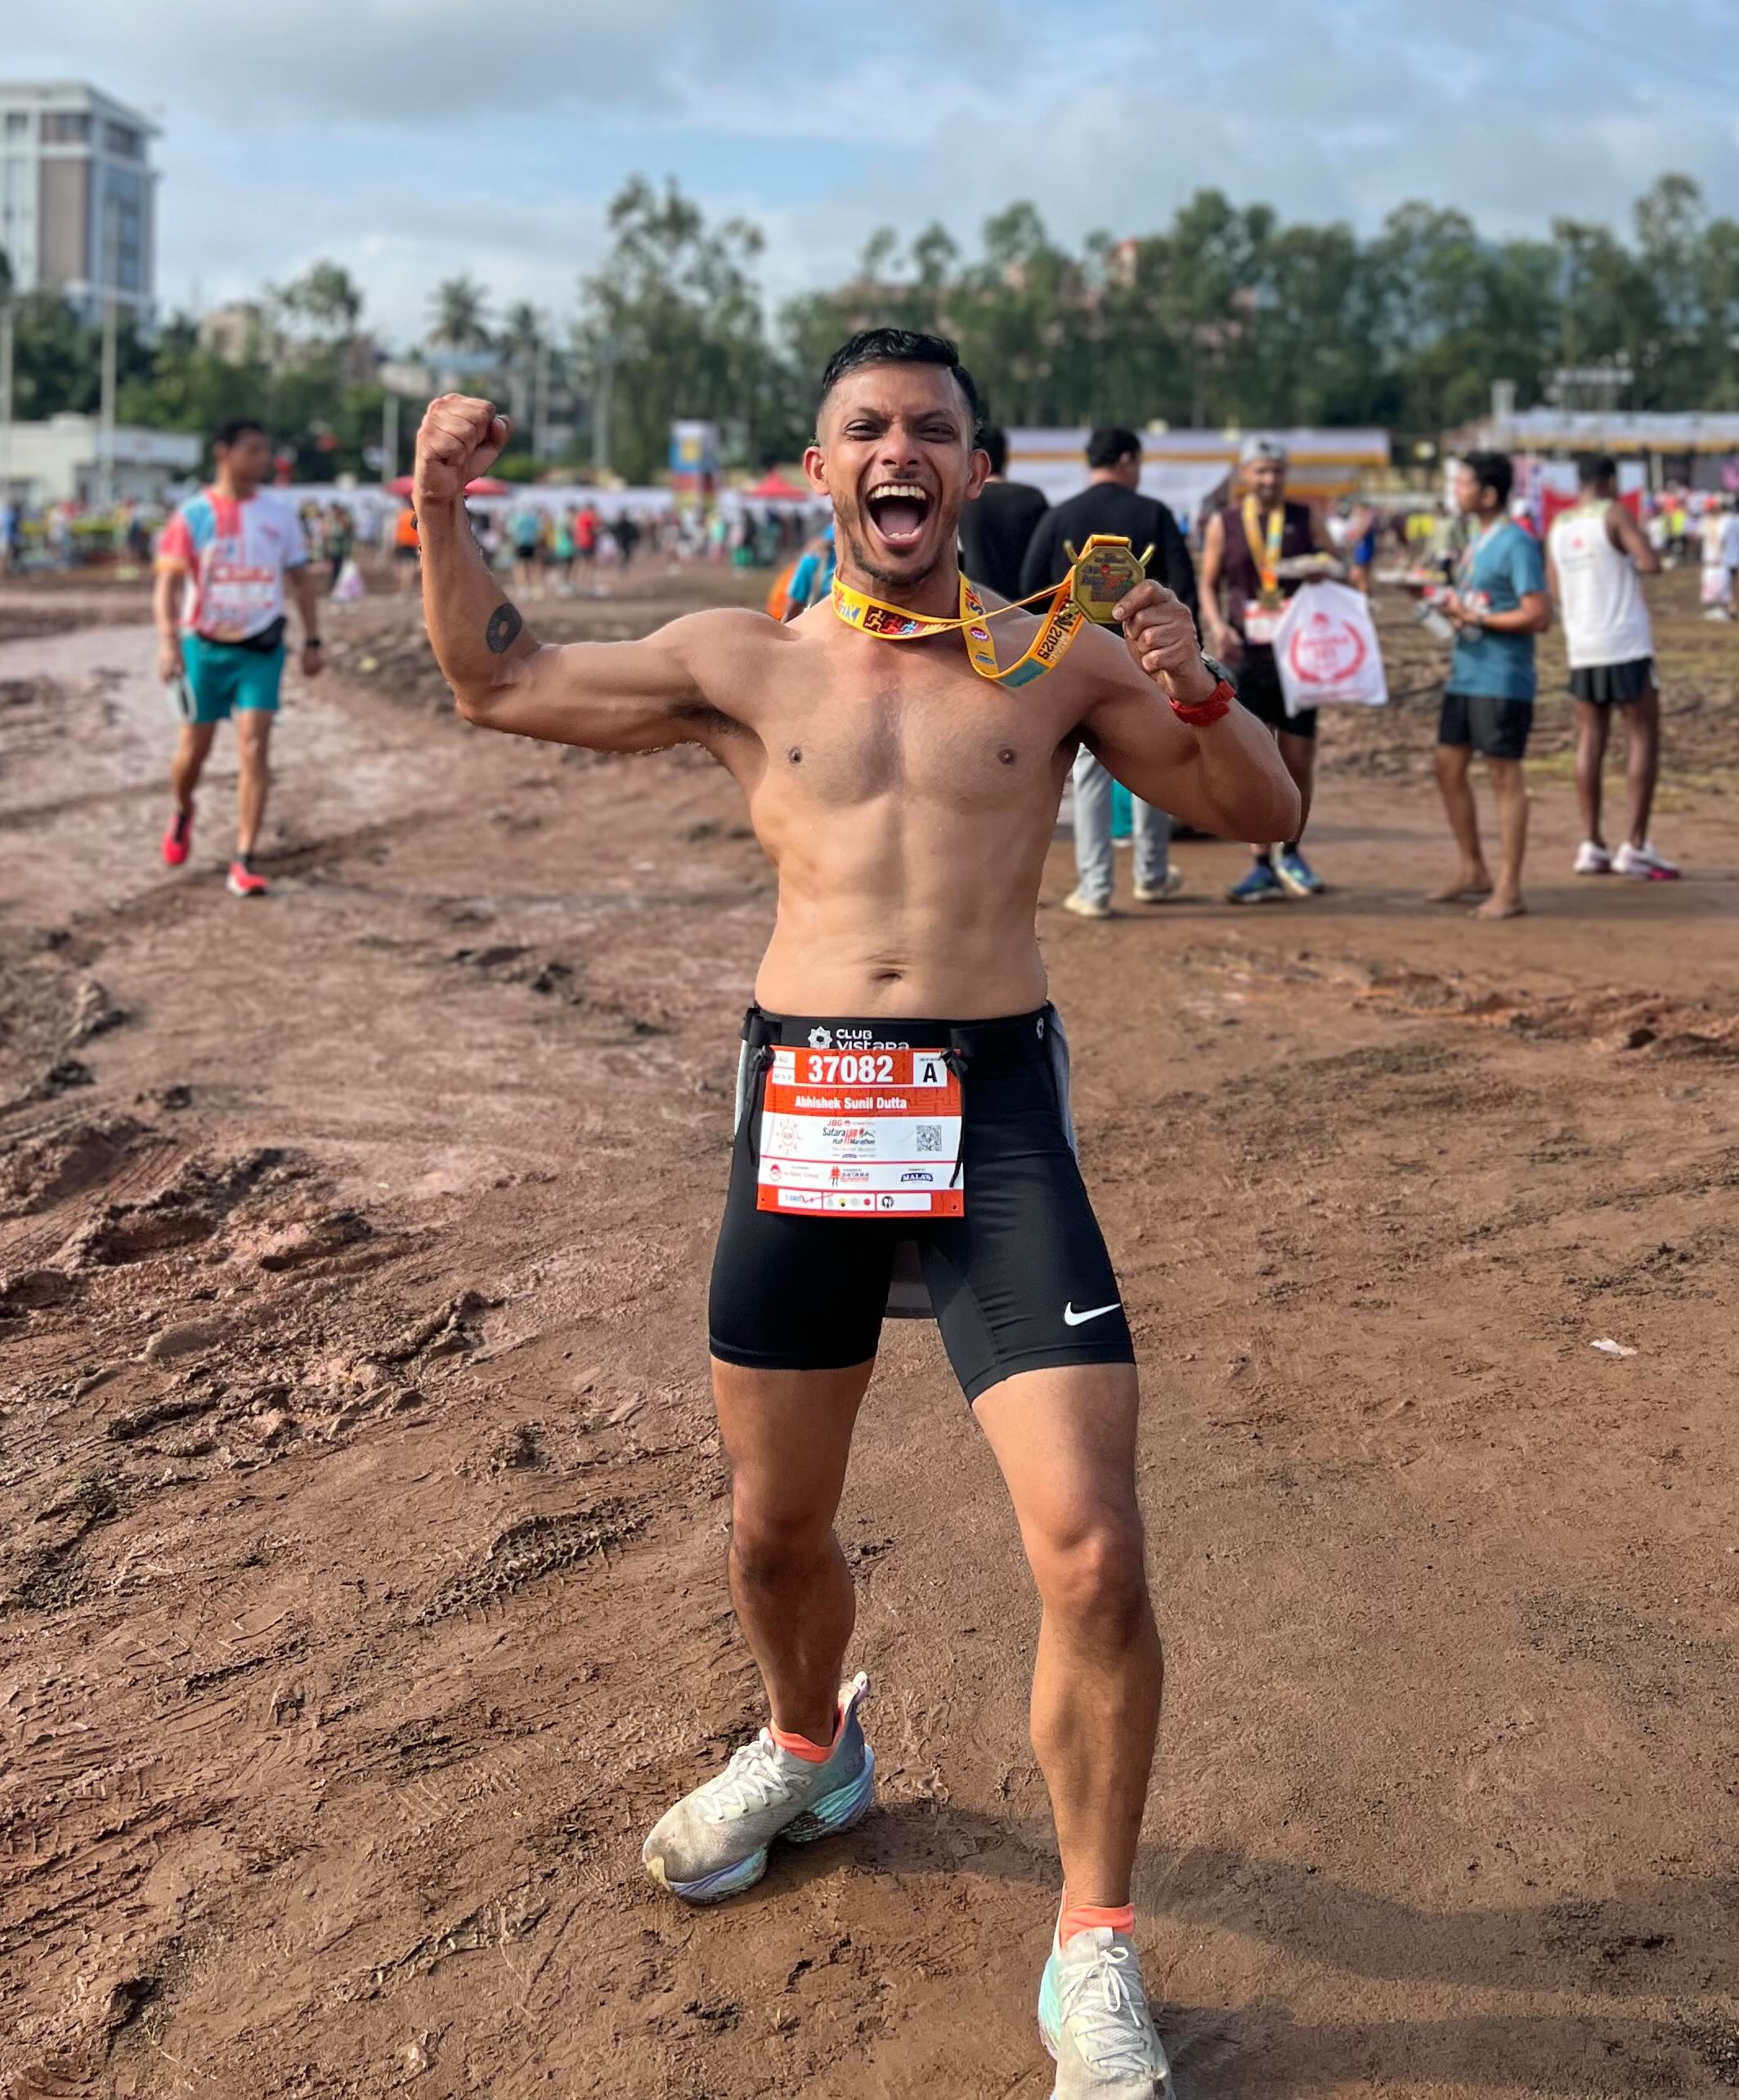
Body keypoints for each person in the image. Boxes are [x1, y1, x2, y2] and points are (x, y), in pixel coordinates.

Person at [415, 328, 1296, 2095]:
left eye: (936, 432)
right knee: (772, 1533)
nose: (903, 453)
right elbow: (498, 680)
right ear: (821, 470)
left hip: (996, 1126)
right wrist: (437, 505)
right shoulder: (740, 660)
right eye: (868, 430)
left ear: (974, 471)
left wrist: (1191, 680)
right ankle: (813, 1747)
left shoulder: (1052, 663)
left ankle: (1094, 1950)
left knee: (1097, 1553)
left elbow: (1253, 808)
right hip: (809, 1110)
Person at [1021, 426, 1202, 918]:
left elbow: (1029, 588)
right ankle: (1152, 874)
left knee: (1090, 773)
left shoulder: (1062, 516)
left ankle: (1096, 888)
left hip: (1077, 659)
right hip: (1148, 657)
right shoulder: (1154, 515)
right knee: (1156, 762)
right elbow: (1184, 589)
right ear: (1127, 460)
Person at [153, 419, 323, 898]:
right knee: (193, 753)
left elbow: (300, 578)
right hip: (203, 650)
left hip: (261, 650)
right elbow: (166, 586)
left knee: (254, 748)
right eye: (252, 450)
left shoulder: (279, 514)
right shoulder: (191, 515)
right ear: (223, 454)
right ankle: (183, 809)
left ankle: (244, 857)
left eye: (265, 450)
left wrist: (314, 639)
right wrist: (168, 644)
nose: (262, 460)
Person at [1199, 437, 1333, 903]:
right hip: (1246, 656)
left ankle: (1293, 850)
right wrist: (1217, 625)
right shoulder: (1226, 523)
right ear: (1246, 476)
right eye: (1260, 471)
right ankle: (1260, 862)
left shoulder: (1304, 518)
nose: (1269, 479)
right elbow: (1208, 580)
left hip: (1300, 654)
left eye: (1276, 471)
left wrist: (1325, 569)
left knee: (1298, 757)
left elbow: (1337, 564)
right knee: (1257, 759)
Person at [1430, 450, 1551, 920]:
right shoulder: (1476, 539)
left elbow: (1539, 615)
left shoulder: (1516, 543)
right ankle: (1472, 868)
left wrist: (1476, 616)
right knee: (1447, 767)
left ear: (1488, 494)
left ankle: (1509, 887)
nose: (1456, 491)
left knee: (1505, 777)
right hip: (1467, 672)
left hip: (1502, 677)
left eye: (1463, 484)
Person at [1547, 454, 1675, 880]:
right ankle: (1636, 843)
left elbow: (1556, 591)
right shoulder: (1615, 514)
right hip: (1624, 639)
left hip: (1583, 642)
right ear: (1609, 481)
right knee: (1642, 737)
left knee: (1590, 738)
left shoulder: (1559, 525)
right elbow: (1650, 563)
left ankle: (1591, 842)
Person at [959, 420, 1048, 599]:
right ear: (1005, 456)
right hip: (1027, 610)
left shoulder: (962, 502)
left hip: (975, 607)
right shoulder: (1031, 498)